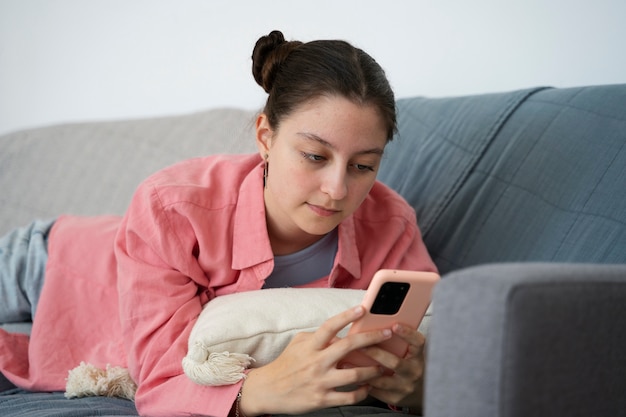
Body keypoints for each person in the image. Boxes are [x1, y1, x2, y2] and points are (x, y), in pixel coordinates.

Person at [0, 30, 437, 417]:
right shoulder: (170, 206)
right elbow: (159, 383)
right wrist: (260, 390)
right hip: (48, 265)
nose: (338, 188)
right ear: (266, 137)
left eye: (363, 165)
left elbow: (439, 354)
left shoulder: (392, 223)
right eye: (314, 156)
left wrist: (416, 387)